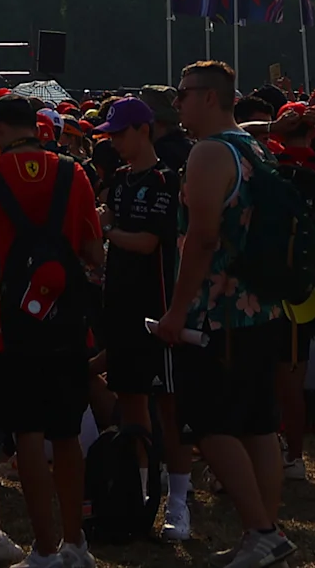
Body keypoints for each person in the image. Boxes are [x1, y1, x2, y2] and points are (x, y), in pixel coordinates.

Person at [155, 61, 292, 568]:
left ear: (209, 97)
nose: (177, 103)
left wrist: (176, 311)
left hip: (217, 313)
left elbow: (202, 238)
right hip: (261, 308)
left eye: (183, 94)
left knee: (209, 425)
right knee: (257, 427)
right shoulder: (253, 146)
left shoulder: (210, 152)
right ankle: (264, 536)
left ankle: (262, 532)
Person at [0, 96, 94, 568]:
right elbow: (93, 252)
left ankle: (44, 549)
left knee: (29, 435)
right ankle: (76, 544)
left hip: (12, 325)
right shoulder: (73, 173)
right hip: (68, 322)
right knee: (67, 434)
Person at [94, 98, 190, 540]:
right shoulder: (118, 180)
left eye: (120, 133)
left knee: (169, 408)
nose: (114, 142)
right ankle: (140, 493)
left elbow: (148, 242)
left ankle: (180, 503)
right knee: (131, 403)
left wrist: (106, 230)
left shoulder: (165, 180)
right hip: (120, 306)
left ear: (143, 130)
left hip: (158, 309)